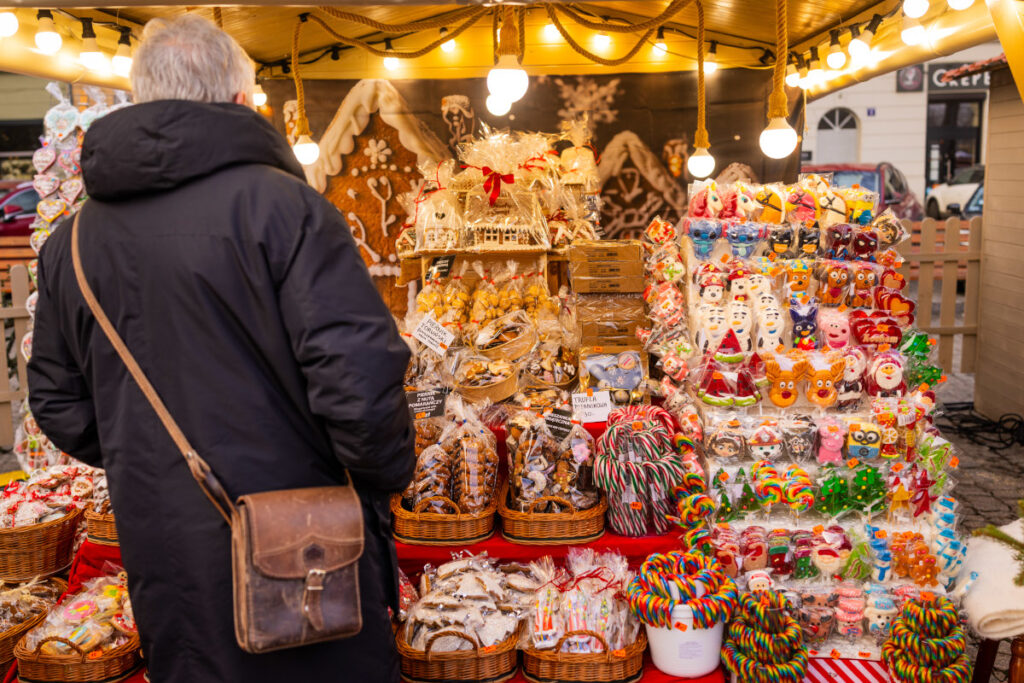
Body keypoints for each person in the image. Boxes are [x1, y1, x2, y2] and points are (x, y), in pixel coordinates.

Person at [27, 15, 414, 683]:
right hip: (307, 546)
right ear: (240, 100)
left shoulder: (73, 242)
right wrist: (384, 478)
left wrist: (144, 454)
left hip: (166, 549)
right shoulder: (289, 209)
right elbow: (359, 383)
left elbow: (58, 402)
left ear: (143, 96)